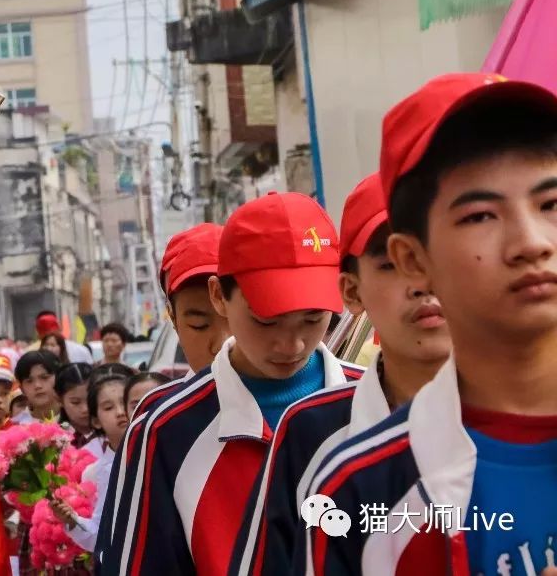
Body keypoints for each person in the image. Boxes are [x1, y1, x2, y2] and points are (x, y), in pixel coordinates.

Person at [303, 74, 557, 576]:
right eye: (480, 215)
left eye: (551, 204)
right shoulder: (357, 490)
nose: (531, 242)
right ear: (413, 258)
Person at [98, 193, 363, 576]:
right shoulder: (164, 431)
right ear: (220, 296)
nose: (292, 345)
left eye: (312, 318)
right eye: (267, 321)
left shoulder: (386, 404)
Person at [231, 174, 452, 575]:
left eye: (439, 253)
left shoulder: (538, 421)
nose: (422, 281)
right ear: (350, 292)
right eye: (392, 263)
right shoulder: (307, 433)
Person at [95, 223, 230, 566]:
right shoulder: (156, 425)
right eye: (199, 325)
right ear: (171, 317)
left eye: (232, 316)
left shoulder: (320, 401)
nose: (222, 343)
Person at [59, 365, 134, 554]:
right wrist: (72, 520)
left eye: (127, 403)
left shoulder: (161, 456)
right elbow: (99, 536)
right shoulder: (95, 472)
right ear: (95, 421)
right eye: (108, 407)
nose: (120, 412)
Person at [12, 350, 61, 423]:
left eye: (44, 377)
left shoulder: (77, 421)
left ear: (59, 378)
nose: (37, 386)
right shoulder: (14, 426)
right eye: (29, 381)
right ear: (22, 388)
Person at [56, 362, 95, 447]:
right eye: (75, 402)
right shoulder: (55, 441)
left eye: (91, 400)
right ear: (60, 400)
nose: (85, 409)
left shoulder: (112, 434)